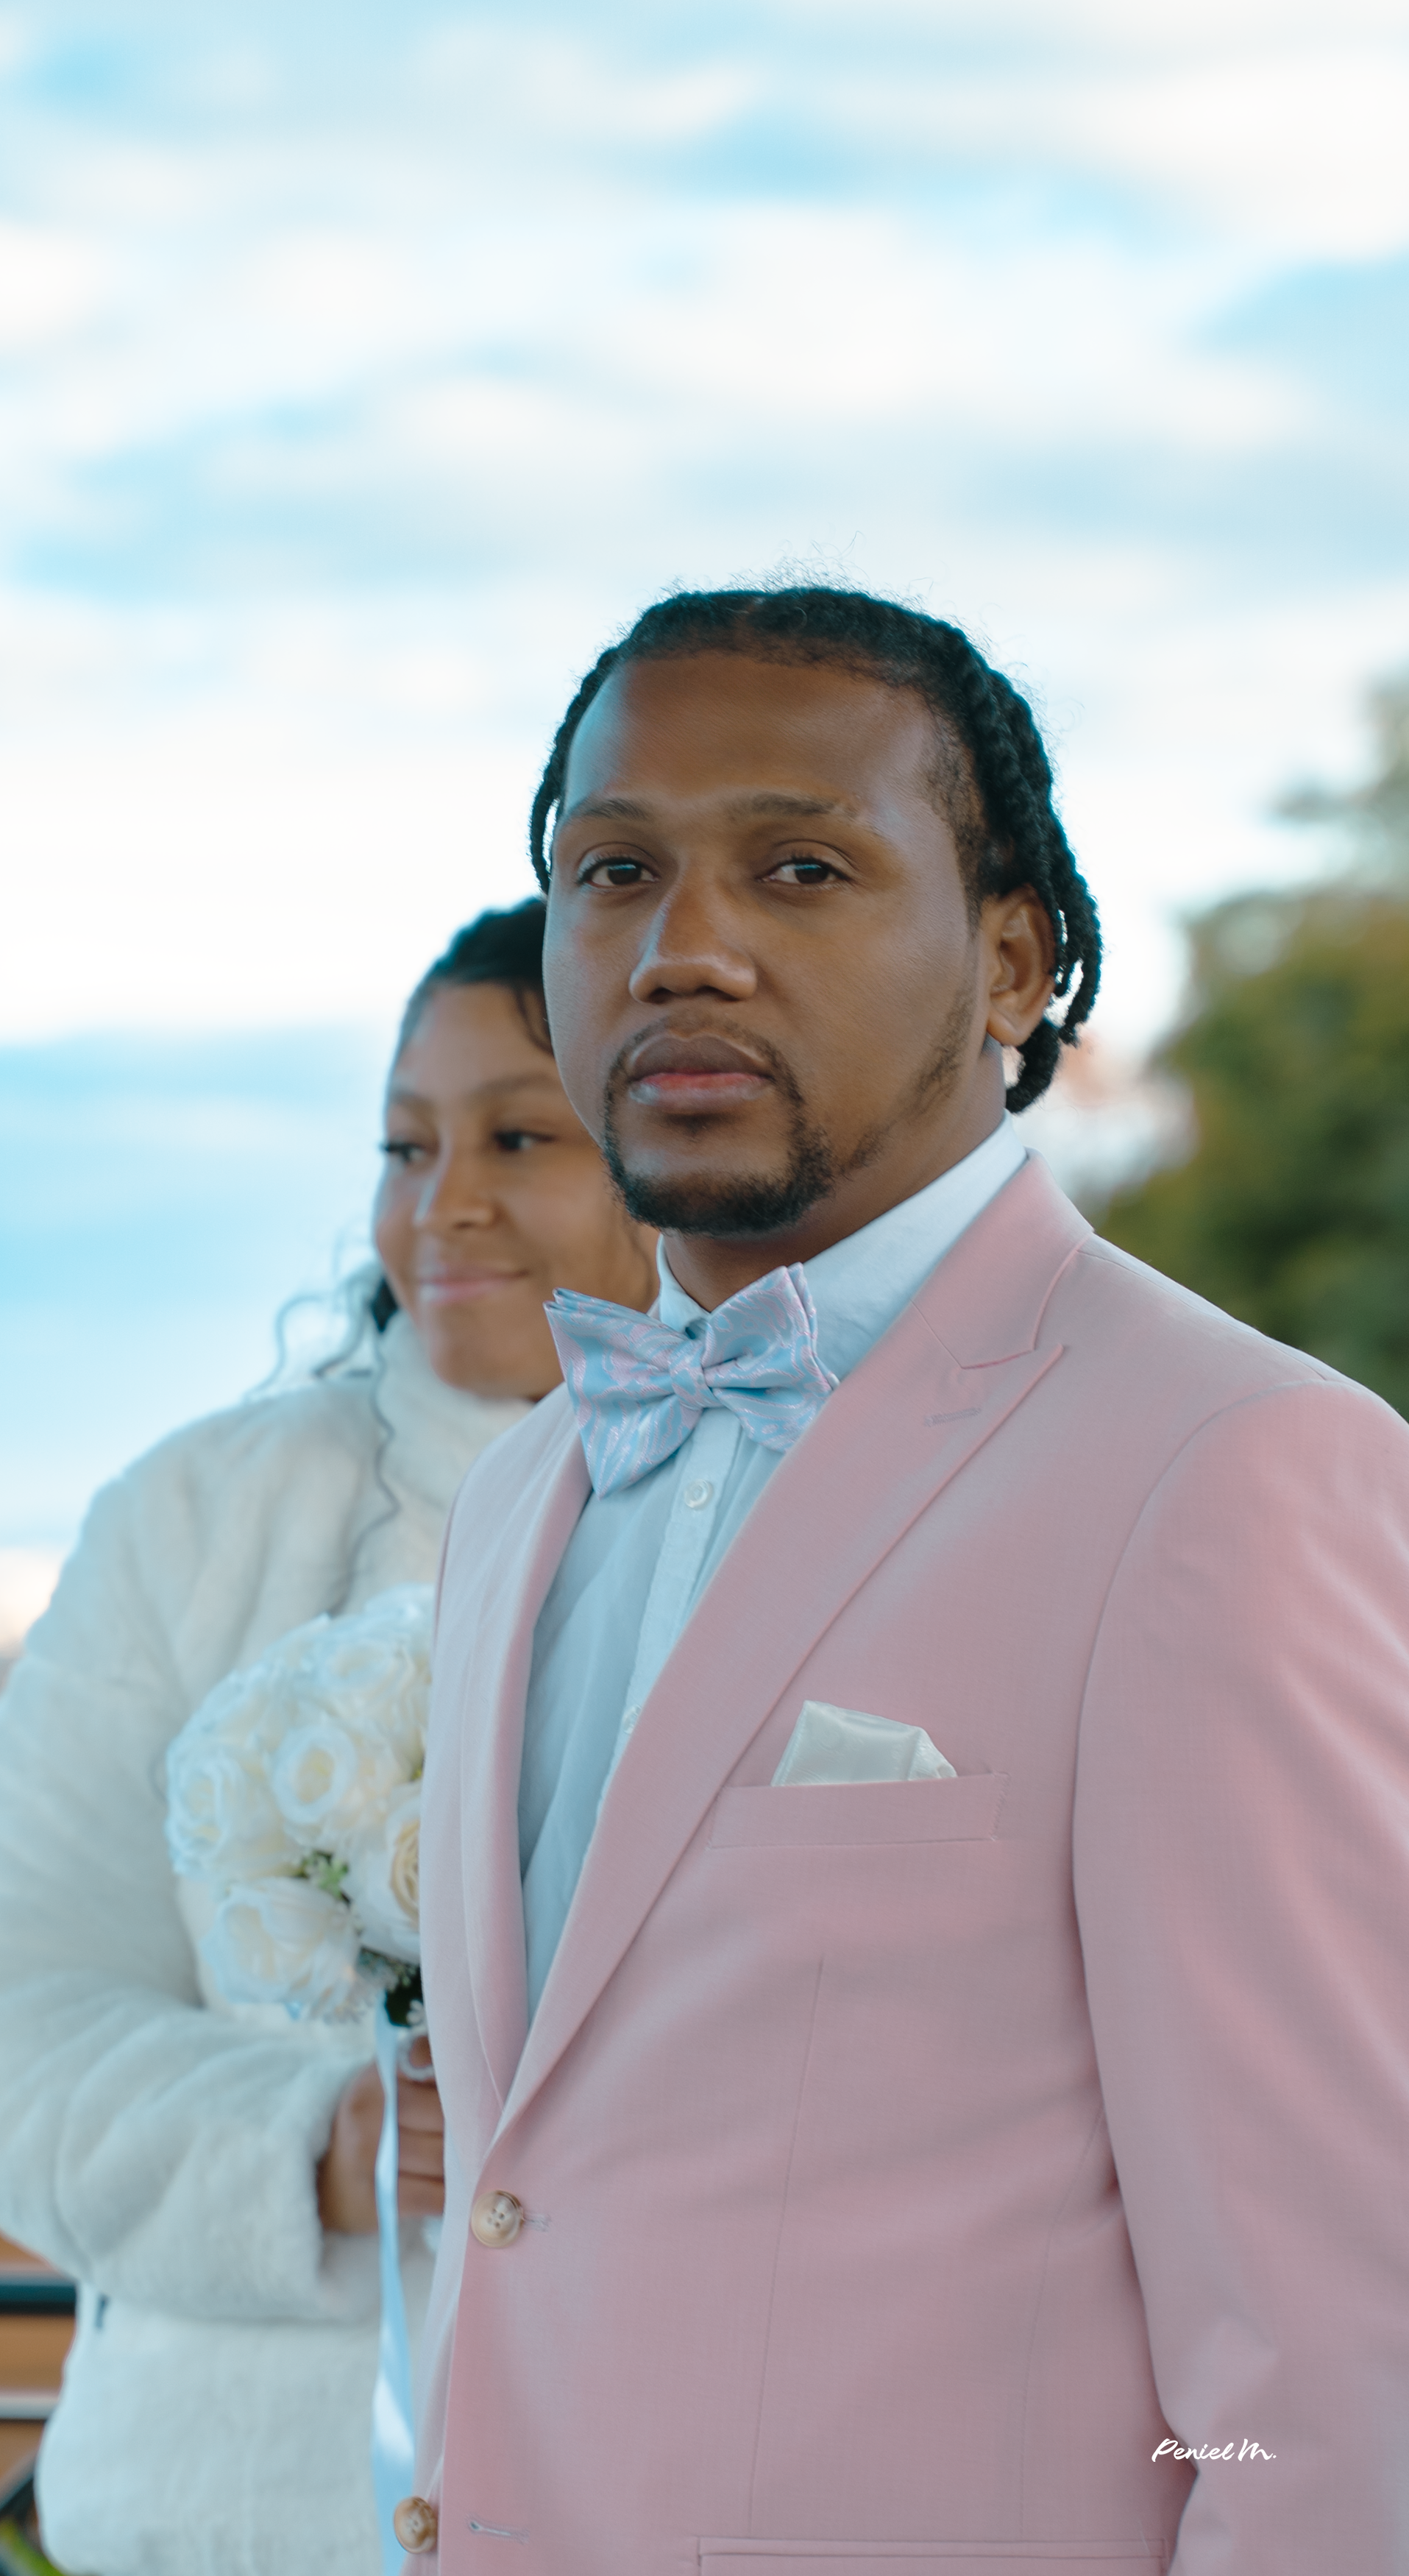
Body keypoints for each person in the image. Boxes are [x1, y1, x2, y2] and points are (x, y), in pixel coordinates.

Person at [403, 587, 1409, 2573]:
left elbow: (1342, 2352)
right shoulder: (525, 1489)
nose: (683, 945)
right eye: (613, 872)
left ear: (1011, 960)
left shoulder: (1223, 1469)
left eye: (800, 865)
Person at [0, 899, 656, 2576]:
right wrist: (320, 2146)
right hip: (241, 2513)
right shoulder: (201, 1514)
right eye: (402, 1143)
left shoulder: (835, 1511)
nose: (439, 1202)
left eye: (519, 1135)